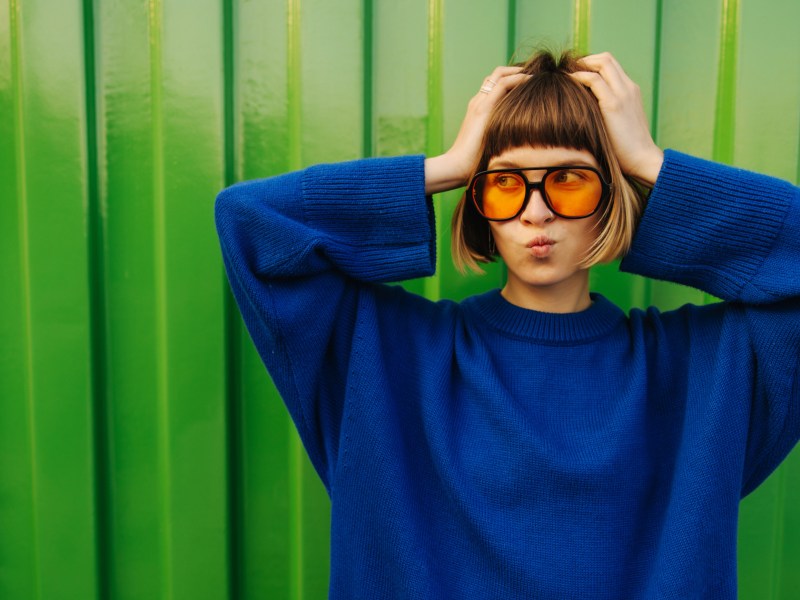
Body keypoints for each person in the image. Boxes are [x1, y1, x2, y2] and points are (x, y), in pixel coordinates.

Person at [215, 50, 800, 598]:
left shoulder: (705, 372)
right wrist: (447, 165)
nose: (536, 211)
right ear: (477, 201)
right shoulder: (380, 355)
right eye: (503, 182)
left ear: (612, 191)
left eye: (570, 179)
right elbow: (252, 221)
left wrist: (648, 161)